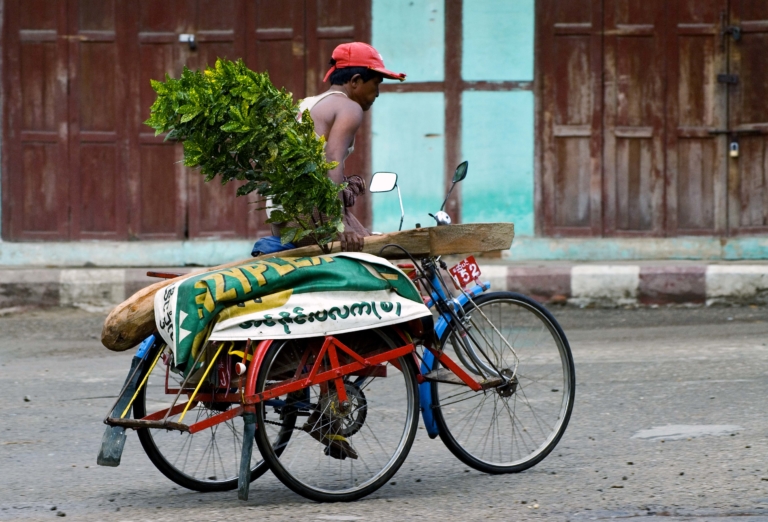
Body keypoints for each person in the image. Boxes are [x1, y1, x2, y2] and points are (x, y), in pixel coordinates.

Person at [252, 42, 406, 256]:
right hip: (310, 215)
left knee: (370, 239)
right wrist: (339, 223)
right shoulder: (349, 108)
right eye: (376, 84)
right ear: (355, 81)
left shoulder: (307, 103)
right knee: (380, 252)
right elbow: (332, 159)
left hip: (283, 218)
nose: (378, 93)